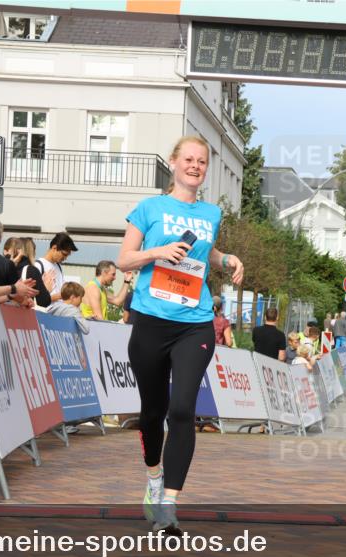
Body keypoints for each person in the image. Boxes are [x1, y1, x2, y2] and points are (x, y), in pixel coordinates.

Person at [117, 135, 244, 535]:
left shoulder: (211, 213)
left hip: (195, 322)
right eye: (188, 159)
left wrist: (227, 259)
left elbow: (207, 252)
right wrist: (157, 252)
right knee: (152, 412)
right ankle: (154, 477)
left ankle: (169, 504)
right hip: (151, 319)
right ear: (173, 163)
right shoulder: (149, 208)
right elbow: (124, 259)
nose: (195, 166)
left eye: (201, 161)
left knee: (184, 409)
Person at [8, 237, 54, 309]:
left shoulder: (7, 268)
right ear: (31, 252)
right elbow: (44, 302)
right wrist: (47, 289)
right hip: (23, 312)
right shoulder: (31, 270)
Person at [37, 232, 78, 303]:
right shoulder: (38, 266)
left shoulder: (58, 266)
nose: (65, 258)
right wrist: (61, 296)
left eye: (67, 256)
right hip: (46, 309)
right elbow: (38, 299)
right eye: (64, 254)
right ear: (54, 248)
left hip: (59, 306)